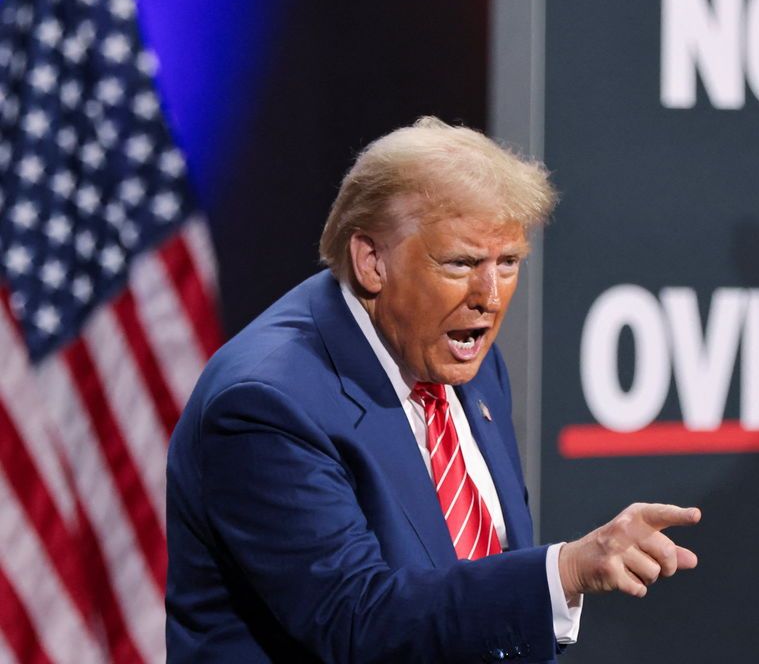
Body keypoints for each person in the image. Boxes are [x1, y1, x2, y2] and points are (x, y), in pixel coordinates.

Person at [165, 117, 701, 663]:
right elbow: (356, 623)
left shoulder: (461, 358)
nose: (489, 296)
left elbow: (474, 584)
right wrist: (561, 573)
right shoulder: (265, 404)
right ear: (372, 261)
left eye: (508, 262)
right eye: (462, 263)